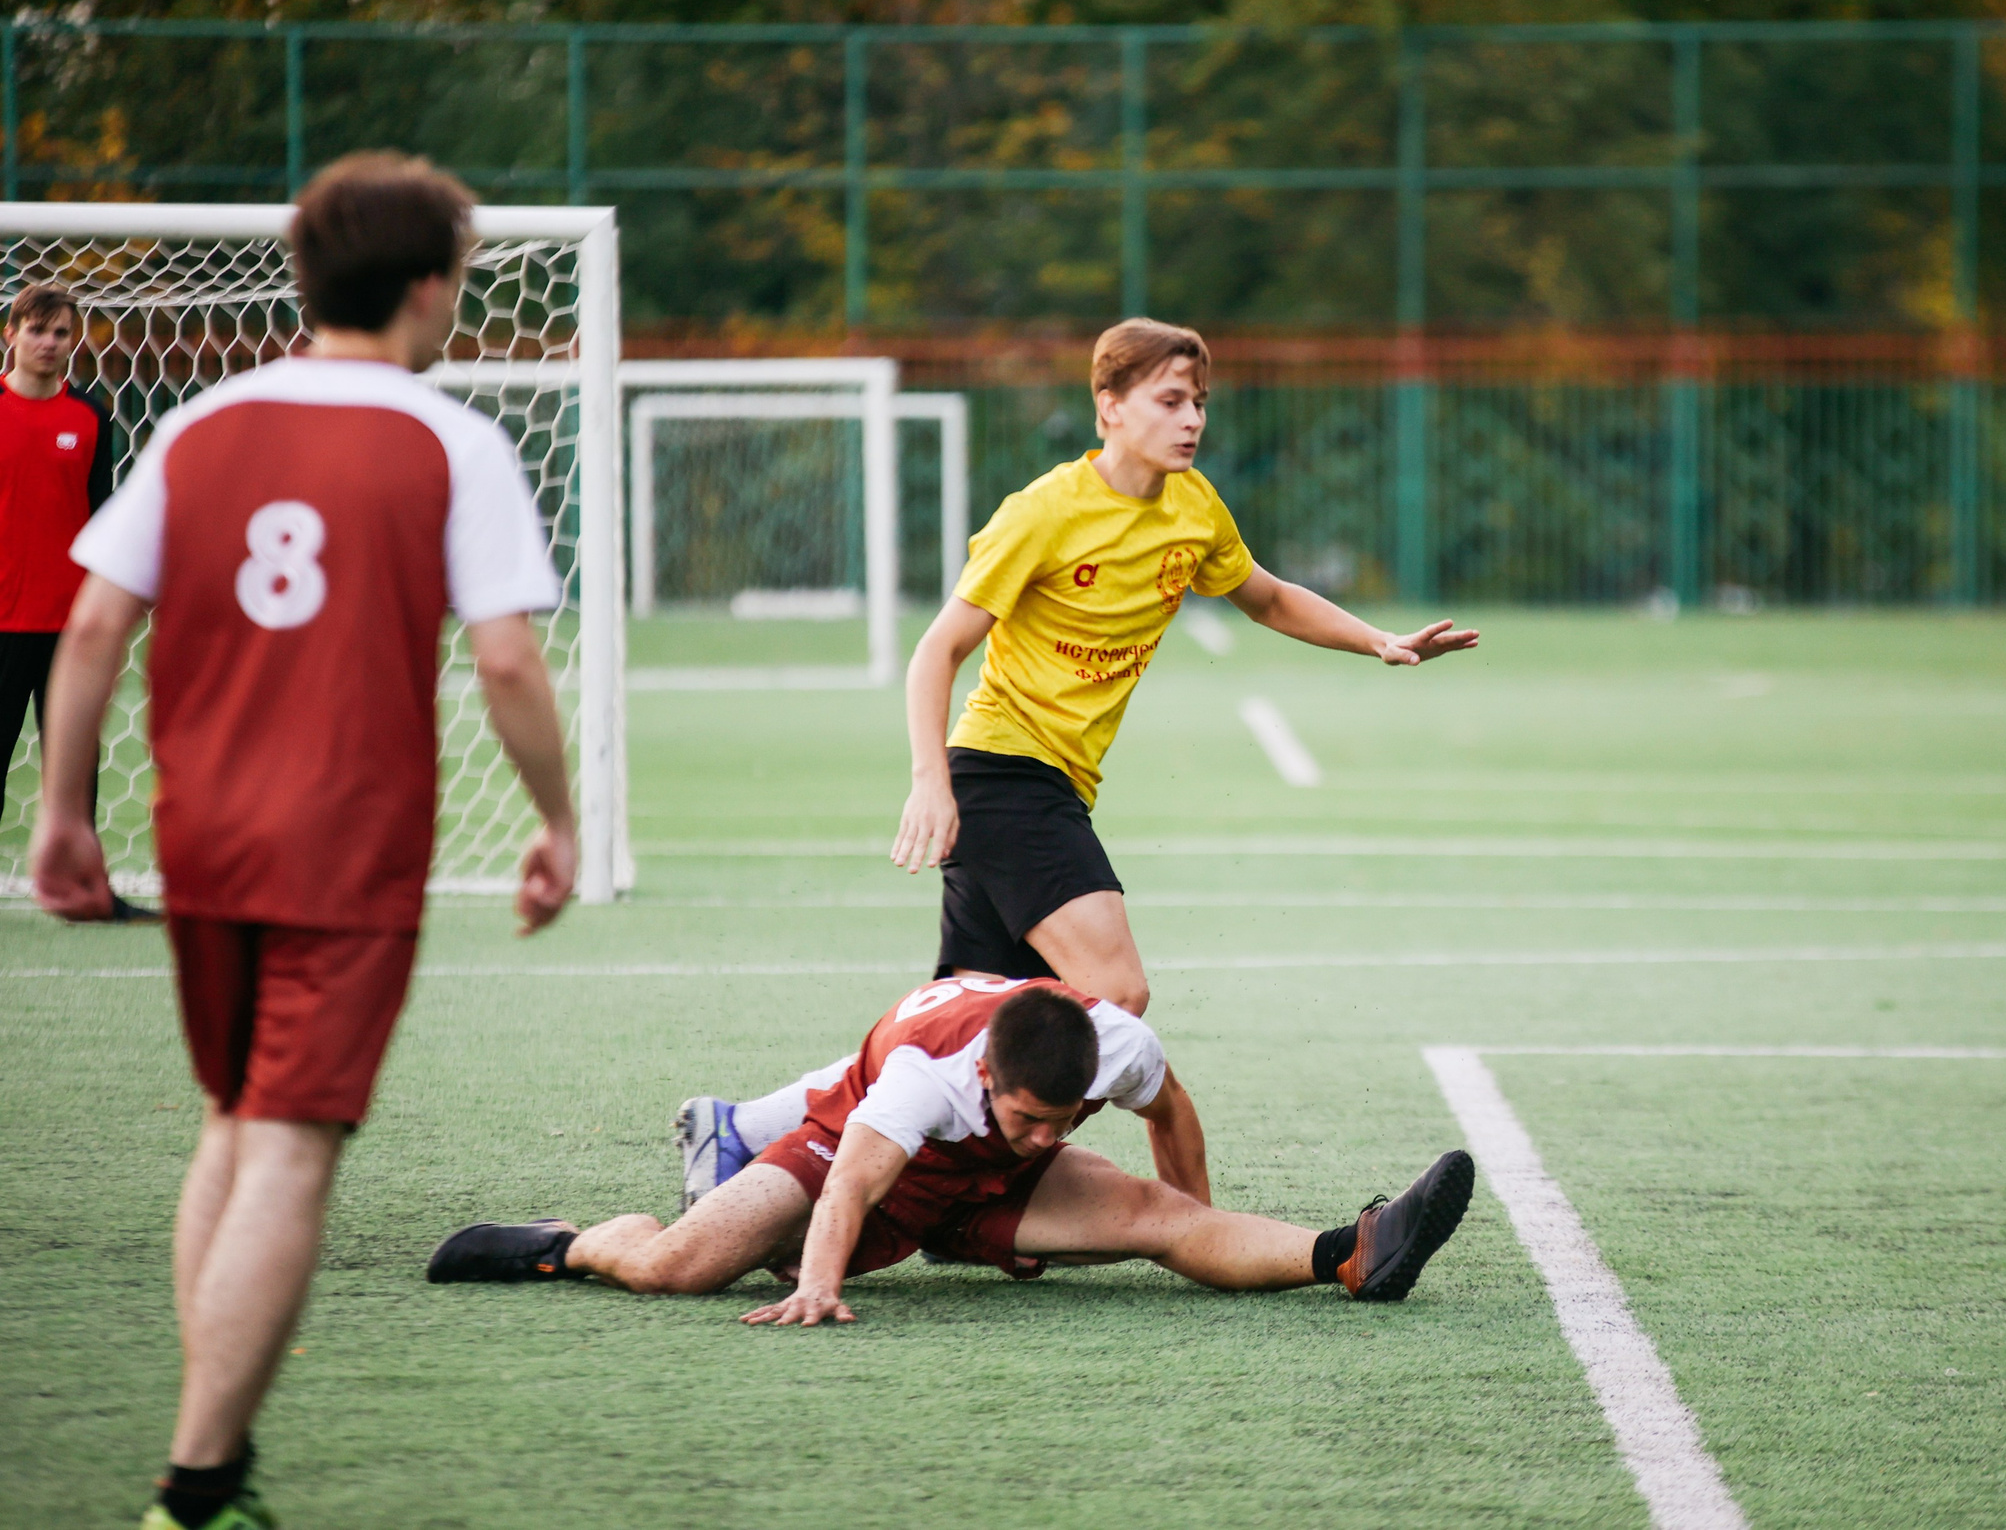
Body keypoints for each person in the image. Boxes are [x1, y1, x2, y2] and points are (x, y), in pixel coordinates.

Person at [31, 152, 581, 1530]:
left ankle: (215, 1452)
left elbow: (93, 624)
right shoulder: (447, 436)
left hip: (201, 834)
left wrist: (58, 815)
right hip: (346, 846)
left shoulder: (203, 423)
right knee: (286, 1147)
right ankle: (198, 1480)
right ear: (431, 283)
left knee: (232, 1127)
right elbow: (507, 661)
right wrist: (558, 820)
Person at [893, 318, 1479, 1018]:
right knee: (1116, 995)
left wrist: (1378, 639)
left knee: (964, 1027)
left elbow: (1267, 597)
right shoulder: (1042, 513)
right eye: (1170, 401)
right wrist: (931, 780)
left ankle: (765, 1125)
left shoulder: (1193, 506)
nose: (1193, 419)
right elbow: (939, 648)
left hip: (1050, 785)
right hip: (1005, 776)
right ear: (1110, 404)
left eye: (1199, 402)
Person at [431, 978, 1475, 1315]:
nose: (1045, 1133)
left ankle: (1350, 1249)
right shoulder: (923, 1079)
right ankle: (562, 1243)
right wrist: (820, 1287)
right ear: (987, 1079)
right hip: (846, 1162)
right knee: (679, 1267)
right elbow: (846, 1188)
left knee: (1156, 1220)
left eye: (1059, 1120)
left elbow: (1171, 1116)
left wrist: (1197, 1220)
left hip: (976, 1194)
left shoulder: (1111, 1046)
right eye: (1027, 1117)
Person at [0, 282, 151, 919]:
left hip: (68, 621)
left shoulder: (88, 416)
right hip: (4, 619)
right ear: (11, 334)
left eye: (61, 333)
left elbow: (97, 519)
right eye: (37, 330)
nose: (49, 343)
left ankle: (87, 890)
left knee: (77, 763)